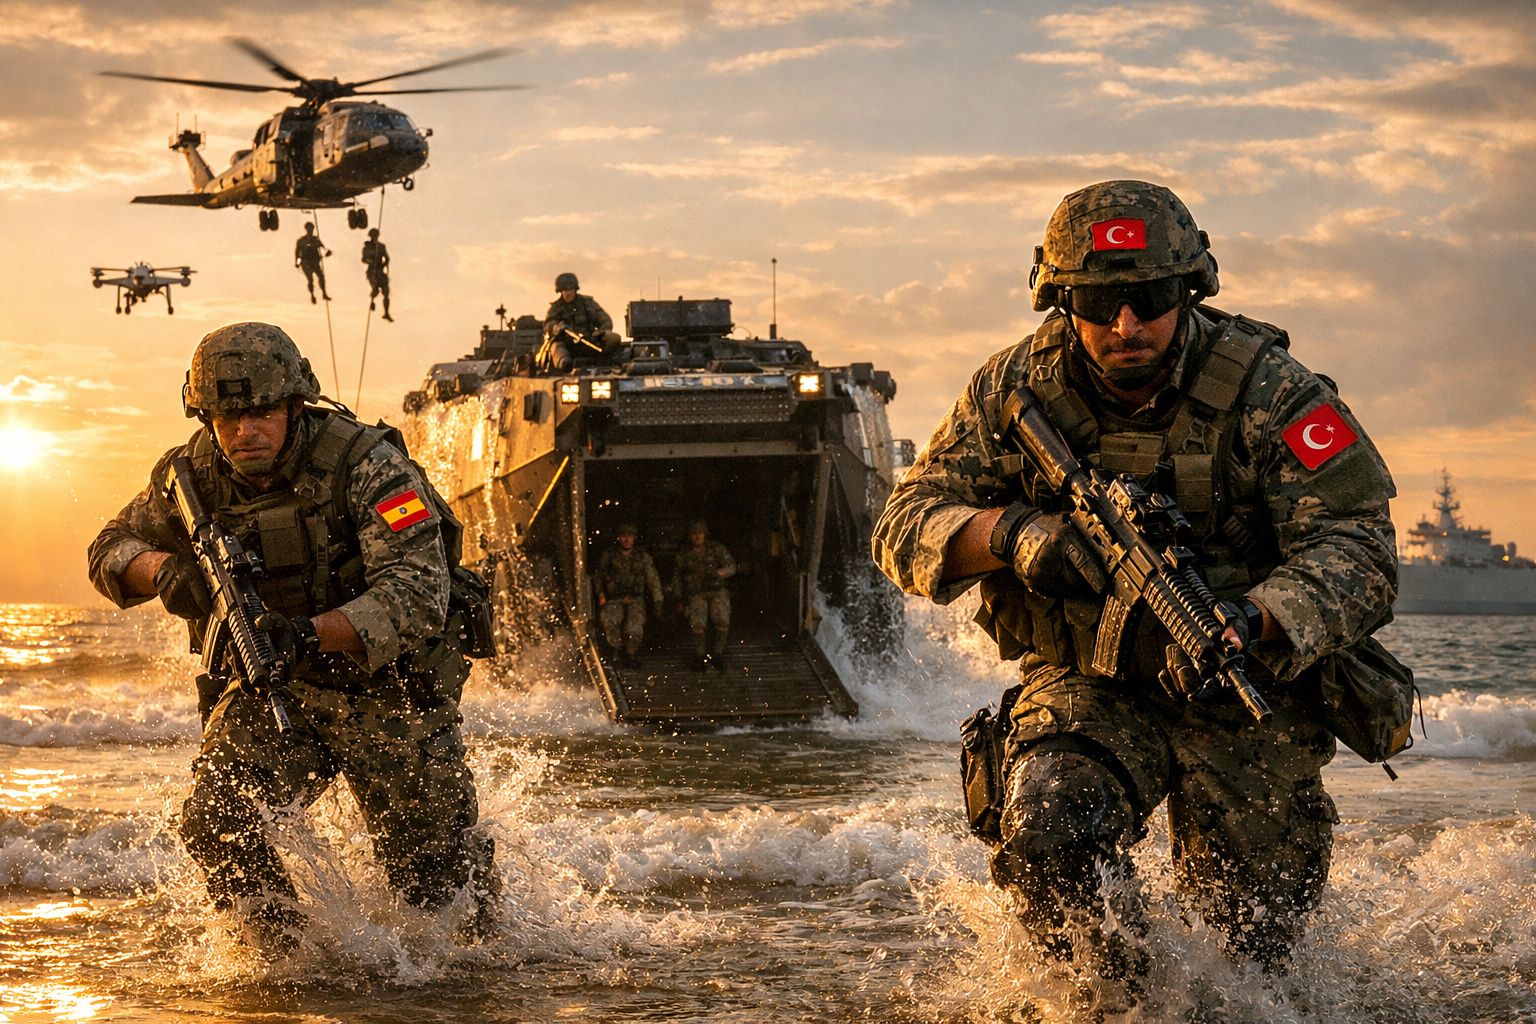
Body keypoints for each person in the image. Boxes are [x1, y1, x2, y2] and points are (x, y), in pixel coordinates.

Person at [873, 181, 1397, 987]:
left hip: (1242, 679)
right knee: (1049, 838)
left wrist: (1253, 618)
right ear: (1061, 299)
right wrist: (1011, 538)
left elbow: (1359, 545)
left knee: (1250, 951)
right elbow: (903, 524)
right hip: (1092, 679)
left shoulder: (1268, 390)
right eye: (1100, 301)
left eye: (1150, 298)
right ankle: (1117, 999)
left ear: (1189, 290)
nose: (1126, 325)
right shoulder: (1011, 389)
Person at [86, 322, 497, 953]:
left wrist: (306, 635)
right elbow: (108, 549)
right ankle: (284, 964)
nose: (244, 431)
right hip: (273, 687)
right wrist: (165, 571)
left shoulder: (368, 466)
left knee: (442, 895)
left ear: (294, 405)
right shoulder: (191, 476)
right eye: (226, 416)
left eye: (260, 412)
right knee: (217, 820)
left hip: (387, 689)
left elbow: (418, 593)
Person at [595, 522, 664, 667]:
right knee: (611, 623)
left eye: (630, 536)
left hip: (635, 598)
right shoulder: (609, 555)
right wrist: (601, 594)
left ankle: (631, 654)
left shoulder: (642, 557)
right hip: (615, 598)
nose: (627, 539)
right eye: (624, 536)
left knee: (634, 627)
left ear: (634, 538)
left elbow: (653, 579)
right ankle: (617, 652)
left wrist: (658, 600)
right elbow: (598, 577)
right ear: (619, 538)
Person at [671, 519, 736, 672]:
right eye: (694, 533)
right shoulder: (683, 555)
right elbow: (677, 577)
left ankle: (718, 654)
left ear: (705, 534)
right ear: (689, 536)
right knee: (698, 624)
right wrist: (679, 599)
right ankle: (700, 656)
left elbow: (732, 566)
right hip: (696, 593)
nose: (697, 537)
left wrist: (721, 573)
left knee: (721, 620)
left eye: (700, 533)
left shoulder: (716, 549)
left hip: (716, 590)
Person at [542, 271, 621, 371]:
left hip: (590, 341)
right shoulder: (556, 308)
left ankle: (604, 361)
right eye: (564, 290)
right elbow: (548, 324)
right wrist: (556, 328)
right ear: (560, 291)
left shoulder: (588, 304)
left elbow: (606, 320)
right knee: (556, 346)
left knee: (613, 337)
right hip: (568, 346)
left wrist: (600, 332)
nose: (567, 293)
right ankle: (565, 366)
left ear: (575, 289)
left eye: (570, 289)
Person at [294, 222, 331, 303]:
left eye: (312, 228)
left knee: (321, 277)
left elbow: (323, 247)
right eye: (309, 228)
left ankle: (324, 293)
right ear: (306, 229)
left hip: (315, 262)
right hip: (306, 262)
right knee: (310, 280)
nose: (311, 230)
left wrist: (327, 252)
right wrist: (297, 262)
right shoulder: (302, 241)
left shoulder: (315, 239)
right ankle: (312, 295)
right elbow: (297, 252)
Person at [361, 228, 393, 322]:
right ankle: (372, 300)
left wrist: (384, 264)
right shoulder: (367, 247)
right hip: (371, 271)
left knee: (386, 292)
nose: (375, 237)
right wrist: (370, 261)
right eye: (373, 235)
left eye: (376, 235)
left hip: (380, 270)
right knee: (375, 290)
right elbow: (363, 259)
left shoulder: (381, 246)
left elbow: (387, 258)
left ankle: (386, 313)